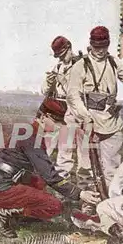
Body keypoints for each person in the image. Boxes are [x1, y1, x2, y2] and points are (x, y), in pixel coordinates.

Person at [0, 99, 102, 238]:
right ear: (43, 116)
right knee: (54, 206)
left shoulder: (27, 130)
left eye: (61, 122)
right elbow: (50, 175)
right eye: (56, 121)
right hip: (1, 190)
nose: (59, 126)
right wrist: (80, 194)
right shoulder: (33, 138)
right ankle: (3, 213)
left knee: (39, 183)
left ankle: (18, 213)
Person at [67, 26, 123, 187]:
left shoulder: (113, 62)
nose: (100, 51)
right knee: (86, 167)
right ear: (91, 45)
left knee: (111, 168)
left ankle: (111, 202)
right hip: (88, 120)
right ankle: (88, 203)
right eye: (97, 47)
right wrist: (85, 117)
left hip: (110, 120)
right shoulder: (81, 65)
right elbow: (73, 95)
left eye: (104, 47)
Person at [41, 36, 91, 184]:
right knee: (57, 148)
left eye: (63, 54)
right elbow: (44, 90)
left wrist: (62, 80)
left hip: (75, 108)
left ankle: (76, 183)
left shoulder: (81, 65)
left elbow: (79, 89)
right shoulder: (58, 67)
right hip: (59, 108)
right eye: (59, 56)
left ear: (69, 48)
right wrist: (50, 80)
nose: (62, 58)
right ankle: (56, 182)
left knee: (75, 149)